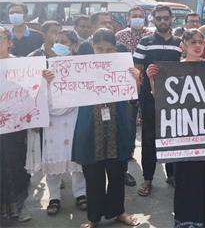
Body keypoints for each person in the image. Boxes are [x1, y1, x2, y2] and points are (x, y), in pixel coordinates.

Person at [146, 29, 205, 228]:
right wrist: (151, 79)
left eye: (201, 42)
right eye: (193, 42)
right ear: (183, 45)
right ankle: (186, 222)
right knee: (185, 182)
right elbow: (160, 99)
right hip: (183, 139)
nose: (198, 46)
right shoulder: (170, 70)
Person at [72, 29, 141, 228]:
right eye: (100, 49)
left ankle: (119, 211)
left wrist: (136, 79)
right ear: (92, 47)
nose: (104, 53)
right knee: (92, 175)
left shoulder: (123, 66)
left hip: (116, 125)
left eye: (109, 49)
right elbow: (65, 93)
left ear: (116, 48)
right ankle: (93, 217)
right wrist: (53, 79)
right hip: (89, 126)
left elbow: (133, 97)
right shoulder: (81, 68)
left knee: (118, 172)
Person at [134, 4, 182, 196]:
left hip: (175, 98)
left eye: (166, 18)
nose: (162, 21)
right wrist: (136, 99)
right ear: (153, 20)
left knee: (172, 136)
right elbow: (136, 71)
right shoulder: (144, 42)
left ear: (171, 19)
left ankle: (172, 175)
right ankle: (148, 179)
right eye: (159, 18)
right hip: (149, 98)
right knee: (149, 138)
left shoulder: (179, 43)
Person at [41, 30, 87, 216]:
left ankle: (81, 193)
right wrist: (45, 82)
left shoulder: (81, 66)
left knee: (76, 158)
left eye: (64, 42)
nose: (59, 44)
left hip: (75, 115)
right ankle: (54, 197)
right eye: (57, 41)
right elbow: (37, 92)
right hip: (53, 119)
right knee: (53, 156)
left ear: (74, 45)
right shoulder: (45, 67)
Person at [115, 6, 154, 187]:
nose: (138, 19)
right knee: (128, 123)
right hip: (125, 86)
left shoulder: (151, 35)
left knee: (146, 124)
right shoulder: (120, 36)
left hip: (148, 86)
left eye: (141, 16)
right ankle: (128, 153)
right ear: (128, 18)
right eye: (134, 16)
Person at [0, 27, 32, 222]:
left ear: (9, 41)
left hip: (14, 127)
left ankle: (18, 209)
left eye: (1, 38)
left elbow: (30, 93)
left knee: (16, 165)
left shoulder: (21, 64)